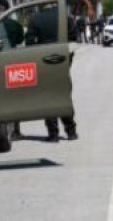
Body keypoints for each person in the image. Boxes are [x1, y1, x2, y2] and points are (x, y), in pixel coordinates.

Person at [44, 10, 78, 142]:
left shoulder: (38, 19)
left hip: (45, 62)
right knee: (63, 97)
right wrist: (68, 59)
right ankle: (71, 131)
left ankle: (54, 134)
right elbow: (73, 40)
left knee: (49, 99)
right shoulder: (66, 19)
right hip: (62, 63)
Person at [0, 0, 25, 140]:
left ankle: (0, 130)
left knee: (0, 98)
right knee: (15, 98)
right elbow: (20, 41)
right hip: (12, 63)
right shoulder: (15, 25)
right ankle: (16, 131)